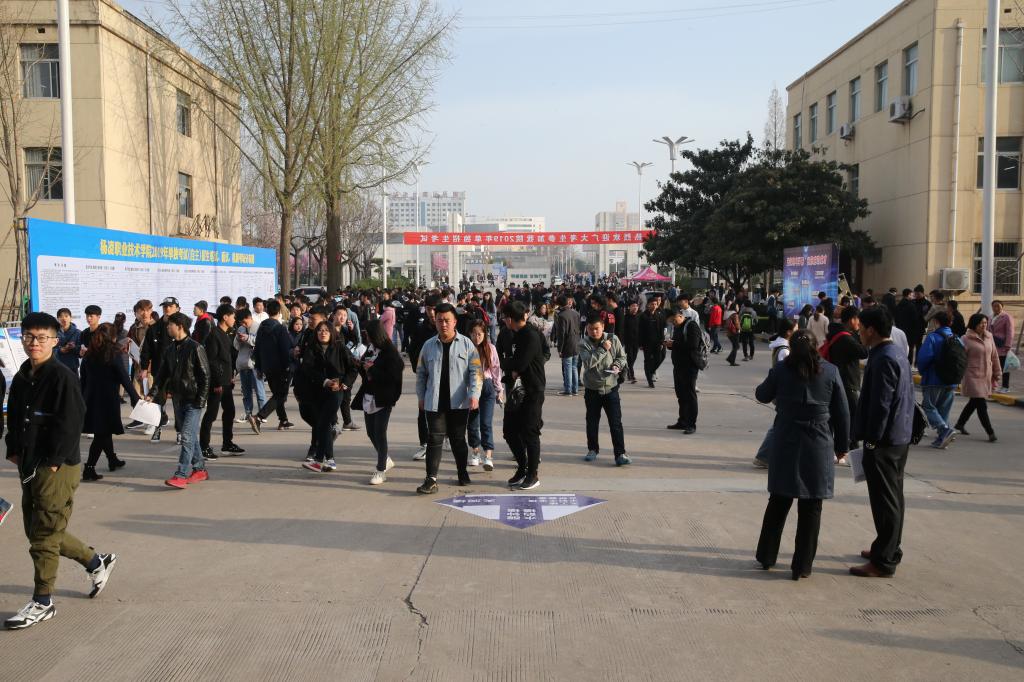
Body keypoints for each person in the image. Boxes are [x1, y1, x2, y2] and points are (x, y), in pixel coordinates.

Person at [3, 312, 118, 631]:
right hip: (29, 463)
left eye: (42, 337)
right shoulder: (24, 375)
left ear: (55, 341)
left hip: (55, 467)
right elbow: (15, 415)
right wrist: (13, 448)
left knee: (43, 535)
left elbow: (72, 421)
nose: (34, 343)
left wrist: (54, 461)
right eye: (29, 336)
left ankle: (42, 602)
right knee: (40, 530)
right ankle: (96, 561)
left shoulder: (61, 376)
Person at [754, 330, 849, 581]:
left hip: (786, 438)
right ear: (817, 347)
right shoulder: (830, 371)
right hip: (818, 441)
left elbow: (761, 394)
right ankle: (802, 565)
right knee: (812, 505)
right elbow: (842, 412)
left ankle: (767, 556)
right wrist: (842, 445)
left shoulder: (782, 370)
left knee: (779, 500)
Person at [849, 306, 915, 578]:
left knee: (886, 501)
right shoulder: (894, 352)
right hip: (898, 436)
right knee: (893, 497)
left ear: (871, 330)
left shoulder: (884, 358)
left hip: (885, 442)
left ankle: (884, 560)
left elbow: (881, 405)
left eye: (861, 328)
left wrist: (872, 441)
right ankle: (887, 547)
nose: (859, 333)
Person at [414, 303, 482, 494]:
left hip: (459, 402)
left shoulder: (467, 344)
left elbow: (476, 372)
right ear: (434, 322)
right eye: (439, 320)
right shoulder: (428, 346)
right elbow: (421, 373)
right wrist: (421, 396)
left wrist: (474, 395)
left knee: (458, 439)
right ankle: (431, 479)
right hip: (434, 401)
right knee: (434, 438)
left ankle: (462, 472)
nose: (443, 324)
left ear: (455, 322)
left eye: (447, 320)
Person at [146, 312, 211, 489]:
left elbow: (205, 376)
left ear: (180, 327)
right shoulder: (170, 350)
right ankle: (200, 469)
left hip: (194, 401)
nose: (167, 327)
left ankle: (181, 474)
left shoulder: (195, 348)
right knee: (191, 437)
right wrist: (152, 393)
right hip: (178, 399)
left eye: (170, 325)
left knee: (186, 436)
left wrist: (201, 400)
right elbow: (161, 375)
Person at [297, 321, 357, 473]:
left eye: (326, 330)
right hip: (317, 391)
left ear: (331, 333)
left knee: (323, 423)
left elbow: (353, 368)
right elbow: (307, 369)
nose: (323, 333)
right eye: (320, 330)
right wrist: (324, 381)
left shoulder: (340, 347)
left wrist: (345, 383)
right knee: (323, 425)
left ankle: (319, 461)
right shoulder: (312, 348)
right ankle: (329, 461)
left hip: (336, 392)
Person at [80, 323, 137, 481]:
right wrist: (135, 397)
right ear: (113, 336)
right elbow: (123, 377)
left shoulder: (89, 353)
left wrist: (82, 398)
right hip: (107, 399)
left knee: (104, 431)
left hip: (91, 398)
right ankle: (89, 468)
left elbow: (83, 378)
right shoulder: (113, 352)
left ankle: (112, 459)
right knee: (102, 434)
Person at [498, 301, 546, 490]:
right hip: (517, 390)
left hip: (532, 391)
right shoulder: (514, 334)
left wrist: (502, 363)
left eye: (504, 318)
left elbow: (520, 363)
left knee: (530, 433)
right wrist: (510, 369)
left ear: (510, 319)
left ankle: (533, 475)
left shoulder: (531, 335)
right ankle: (522, 467)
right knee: (509, 431)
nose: (503, 321)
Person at [354, 320, 404, 485]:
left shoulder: (390, 352)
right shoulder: (370, 348)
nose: (366, 337)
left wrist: (372, 369)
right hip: (369, 395)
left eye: (368, 334)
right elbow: (365, 370)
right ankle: (386, 459)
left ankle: (381, 470)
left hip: (384, 397)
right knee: (371, 432)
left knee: (380, 432)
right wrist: (360, 365)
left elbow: (393, 377)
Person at [578, 317, 630, 465]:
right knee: (592, 422)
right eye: (590, 329)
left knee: (615, 423)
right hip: (592, 389)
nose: (594, 332)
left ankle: (620, 454)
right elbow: (588, 363)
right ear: (587, 329)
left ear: (602, 327)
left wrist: (617, 365)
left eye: (597, 328)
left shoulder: (613, 338)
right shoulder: (583, 343)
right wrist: (602, 349)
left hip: (611, 388)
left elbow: (622, 357)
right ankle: (592, 449)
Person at [820, 306, 868, 451]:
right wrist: (862, 335)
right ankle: (849, 447)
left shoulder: (835, 334)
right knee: (851, 417)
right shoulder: (846, 338)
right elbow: (863, 352)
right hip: (848, 383)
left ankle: (834, 446)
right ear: (852, 319)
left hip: (836, 380)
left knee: (836, 416)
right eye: (858, 320)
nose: (859, 323)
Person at [200, 304, 244, 460]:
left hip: (226, 381)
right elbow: (211, 361)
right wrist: (217, 383)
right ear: (225, 317)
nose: (234, 319)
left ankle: (227, 443)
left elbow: (226, 358)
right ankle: (203, 447)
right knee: (211, 414)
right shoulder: (214, 335)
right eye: (233, 316)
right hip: (217, 383)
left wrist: (231, 375)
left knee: (230, 411)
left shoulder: (226, 334)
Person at [753, 319, 797, 469]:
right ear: (789, 332)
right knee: (780, 426)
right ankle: (764, 456)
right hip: (784, 392)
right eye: (796, 329)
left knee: (781, 425)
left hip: (781, 391)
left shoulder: (781, 346)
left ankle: (766, 456)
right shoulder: (785, 350)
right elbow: (787, 372)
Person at [953, 313, 1001, 442]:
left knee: (974, 402)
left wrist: (997, 372)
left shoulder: (989, 336)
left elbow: (994, 356)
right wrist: (958, 375)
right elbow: (960, 359)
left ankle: (960, 424)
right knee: (981, 403)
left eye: (985, 323)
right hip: (972, 375)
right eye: (981, 323)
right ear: (974, 324)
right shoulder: (965, 338)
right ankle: (990, 432)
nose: (984, 325)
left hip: (986, 375)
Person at [916, 311, 961, 449]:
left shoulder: (933, 337)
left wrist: (923, 372)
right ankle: (942, 437)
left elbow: (923, 358)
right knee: (944, 409)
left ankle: (944, 430)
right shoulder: (956, 338)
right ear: (950, 323)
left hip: (934, 379)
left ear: (936, 322)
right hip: (952, 380)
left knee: (928, 406)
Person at [250, 299, 294, 433]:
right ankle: (259, 417)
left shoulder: (261, 327)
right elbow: (285, 349)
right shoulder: (280, 328)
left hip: (267, 367)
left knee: (277, 394)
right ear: (279, 312)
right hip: (280, 367)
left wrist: (258, 367)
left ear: (267, 311)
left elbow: (257, 348)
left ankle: (283, 420)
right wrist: (288, 365)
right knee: (281, 395)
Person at [140, 297, 178, 443]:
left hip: (178, 373)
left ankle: (180, 431)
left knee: (178, 403)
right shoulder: (154, 328)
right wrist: (144, 368)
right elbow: (146, 350)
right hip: (160, 372)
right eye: (165, 306)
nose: (167, 309)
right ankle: (157, 429)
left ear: (177, 308)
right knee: (158, 403)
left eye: (170, 306)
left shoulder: (182, 327)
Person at [408, 295, 440, 461]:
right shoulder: (420, 329)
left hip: (446, 377)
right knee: (423, 410)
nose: (432, 313)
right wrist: (418, 369)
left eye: (434, 309)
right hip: (426, 377)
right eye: (429, 309)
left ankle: (444, 437)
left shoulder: (448, 327)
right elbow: (413, 351)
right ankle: (425, 444)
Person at [466, 320, 502, 471]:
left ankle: (488, 455)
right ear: (469, 334)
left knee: (486, 423)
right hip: (471, 388)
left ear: (485, 334)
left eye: (479, 334)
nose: (477, 337)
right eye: (474, 334)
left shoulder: (490, 348)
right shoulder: (466, 348)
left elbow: (496, 370)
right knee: (472, 424)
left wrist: (499, 390)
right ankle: (475, 452)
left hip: (487, 387)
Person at [665, 307, 702, 434]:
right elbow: (678, 343)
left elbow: (693, 345)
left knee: (690, 395)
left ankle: (691, 424)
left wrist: (674, 344)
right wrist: (670, 344)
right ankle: (682, 421)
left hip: (690, 366)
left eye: (674, 320)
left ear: (680, 315)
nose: (673, 323)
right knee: (681, 395)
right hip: (678, 366)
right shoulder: (678, 327)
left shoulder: (692, 326)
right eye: (671, 322)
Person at [233, 307, 266, 422]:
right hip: (243, 364)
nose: (243, 324)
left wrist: (248, 338)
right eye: (241, 323)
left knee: (260, 391)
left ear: (249, 317)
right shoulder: (241, 329)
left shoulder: (259, 327)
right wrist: (238, 339)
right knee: (246, 393)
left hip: (255, 365)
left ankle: (263, 414)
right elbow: (236, 346)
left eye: (244, 321)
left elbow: (261, 343)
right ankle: (248, 414)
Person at [551, 295, 581, 395]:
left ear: (559, 304)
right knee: (574, 367)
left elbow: (561, 334)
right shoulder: (576, 313)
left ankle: (568, 390)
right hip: (576, 342)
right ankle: (575, 389)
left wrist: (560, 348)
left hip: (567, 344)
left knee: (568, 367)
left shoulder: (561, 315)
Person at [638, 296, 666, 387]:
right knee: (647, 361)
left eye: (655, 304)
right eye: (652, 304)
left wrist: (662, 341)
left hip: (657, 342)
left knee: (659, 358)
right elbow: (640, 331)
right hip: (647, 343)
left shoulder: (659, 315)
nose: (654, 306)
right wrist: (640, 344)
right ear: (648, 305)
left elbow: (662, 330)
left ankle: (651, 371)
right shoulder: (643, 316)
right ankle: (649, 380)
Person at [990, 300, 1016, 393]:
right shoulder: (991, 317)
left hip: (1002, 345)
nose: (996, 308)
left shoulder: (1007, 317)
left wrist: (1008, 345)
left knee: (1004, 367)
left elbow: (1010, 331)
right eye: (994, 306)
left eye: (998, 306)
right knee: (993, 366)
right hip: (992, 345)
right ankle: (993, 385)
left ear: (1002, 307)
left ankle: (1005, 386)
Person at [55, 308, 81, 374]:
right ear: (57, 319)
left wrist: (74, 348)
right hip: (57, 367)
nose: (64, 318)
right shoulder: (53, 333)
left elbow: (81, 353)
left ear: (71, 318)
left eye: (66, 316)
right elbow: (48, 350)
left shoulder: (78, 333)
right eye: (61, 316)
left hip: (72, 367)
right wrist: (60, 350)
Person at [622, 300, 640, 383]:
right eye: (633, 306)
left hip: (637, 341)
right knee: (630, 357)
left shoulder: (639, 317)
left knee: (634, 357)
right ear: (629, 307)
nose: (635, 307)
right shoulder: (625, 317)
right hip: (628, 341)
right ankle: (631, 375)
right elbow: (622, 330)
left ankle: (627, 369)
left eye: (636, 306)